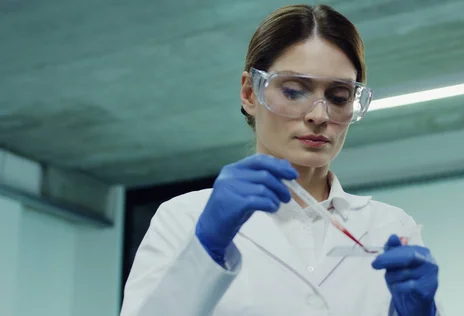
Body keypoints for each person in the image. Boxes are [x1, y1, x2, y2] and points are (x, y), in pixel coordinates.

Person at [120, 4, 441, 316]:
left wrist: (424, 313)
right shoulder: (185, 219)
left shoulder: (390, 226)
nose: (318, 115)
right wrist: (206, 247)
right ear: (249, 93)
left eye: (338, 97)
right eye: (293, 91)